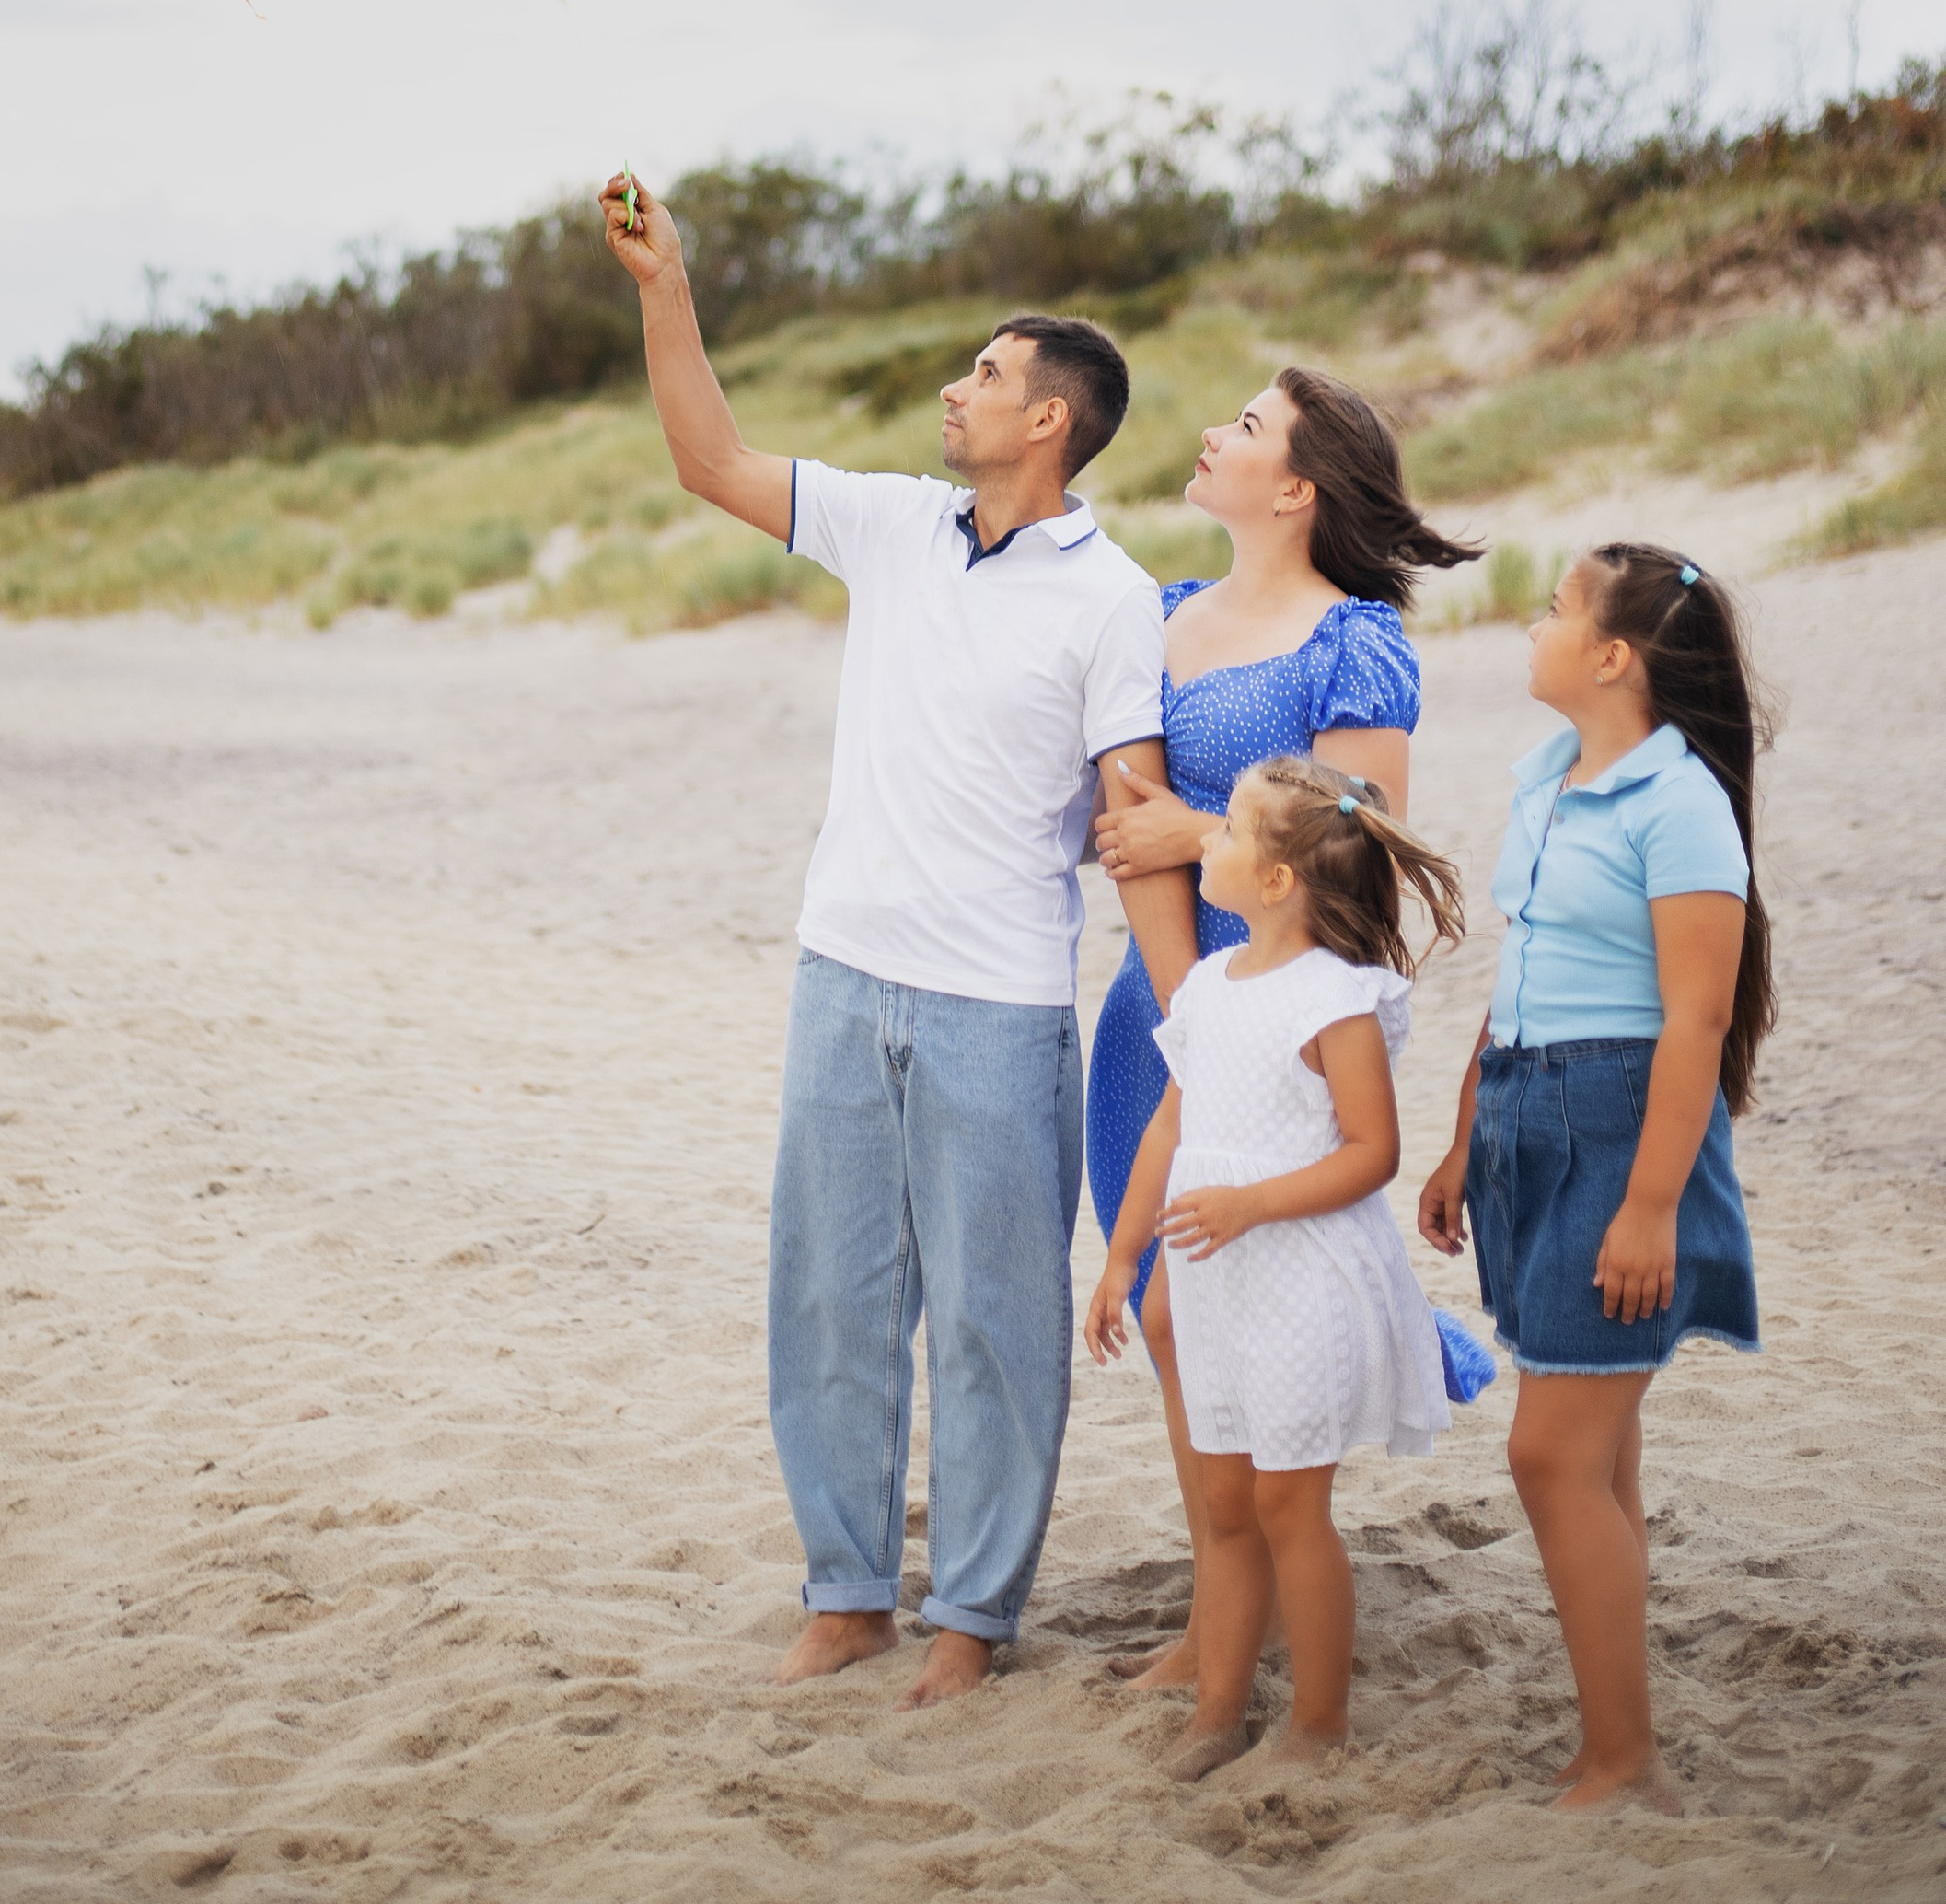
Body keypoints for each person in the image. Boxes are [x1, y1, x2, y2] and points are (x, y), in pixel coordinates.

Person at [597, 168, 1182, 1707]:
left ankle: (976, 1617)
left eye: (986, 374)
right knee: (833, 1296)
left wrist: (1198, 1014)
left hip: (1000, 1006)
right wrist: (669, 286)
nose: (956, 386)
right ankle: (849, 1592)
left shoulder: (1115, 600)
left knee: (998, 1325)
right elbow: (708, 456)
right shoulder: (895, 524)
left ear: (1051, 419)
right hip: (842, 974)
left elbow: (1132, 811)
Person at [1083, 369, 1478, 1685]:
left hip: (1286, 1025)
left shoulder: (1351, 641)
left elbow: (1360, 851)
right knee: (1169, 1308)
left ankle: (1245, 1615)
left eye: (1245, 427)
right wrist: (1182, 990)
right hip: (1160, 1008)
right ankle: (1216, 1616)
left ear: (1298, 487)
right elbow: (1114, 809)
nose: (1212, 434)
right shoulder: (1164, 615)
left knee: (1247, 1305)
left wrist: (1197, 833)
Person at [1419, 544, 1772, 1814]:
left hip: (1623, 1130)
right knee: (1597, 1449)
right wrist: (1466, 1132)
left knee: (1549, 1457)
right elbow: (1523, 971)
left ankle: (1624, 1760)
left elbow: (1697, 1019)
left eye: (1558, 609)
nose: (1536, 623)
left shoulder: (1680, 804)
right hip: (1527, 1109)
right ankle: (1615, 1736)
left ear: (1615, 657)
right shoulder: (1554, 777)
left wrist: (1650, 1205)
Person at [1086, 758, 1471, 1778]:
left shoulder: (1336, 1000)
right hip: (1212, 1280)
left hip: (1297, 1277)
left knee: (1287, 1508)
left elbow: (1369, 1152)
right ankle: (1217, 1710)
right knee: (1222, 1507)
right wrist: (1123, 1255)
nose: (1204, 841)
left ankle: (1318, 1721)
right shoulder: (1207, 986)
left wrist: (1252, 1203)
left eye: (1226, 834)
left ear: (1273, 883)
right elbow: (1171, 1123)